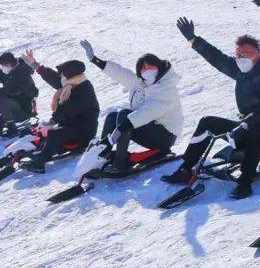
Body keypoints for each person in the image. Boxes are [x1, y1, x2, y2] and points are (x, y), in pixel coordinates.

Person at [166, 18, 260, 199]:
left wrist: (245, 125)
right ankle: (186, 168)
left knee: (256, 130)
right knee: (207, 123)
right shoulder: (240, 69)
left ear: (257, 54)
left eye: (247, 54)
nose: (242, 58)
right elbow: (217, 58)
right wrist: (193, 39)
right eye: (239, 54)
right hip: (246, 127)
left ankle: (245, 184)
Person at [78, 39, 183, 174]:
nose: (146, 70)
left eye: (150, 67)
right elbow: (120, 73)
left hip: (164, 136)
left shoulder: (166, 87)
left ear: (159, 66)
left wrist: (124, 125)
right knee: (112, 117)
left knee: (124, 115)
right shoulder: (140, 83)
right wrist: (94, 59)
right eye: (143, 68)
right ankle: (102, 154)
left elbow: (149, 111)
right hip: (149, 126)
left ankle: (120, 164)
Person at [16, 51, 100, 173]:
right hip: (71, 125)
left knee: (53, 133)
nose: (60, 77)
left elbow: (66, 111)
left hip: (84, 131)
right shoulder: (72, 85)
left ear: (70, 77)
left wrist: (52, 121)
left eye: (62, 75)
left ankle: (40, 162)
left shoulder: (83, 90)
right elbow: (55, 79)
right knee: (37, 131)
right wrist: (37, 67)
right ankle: (35, 149)